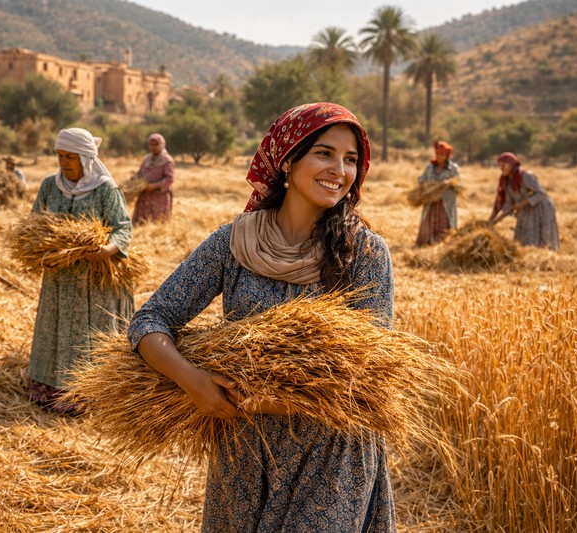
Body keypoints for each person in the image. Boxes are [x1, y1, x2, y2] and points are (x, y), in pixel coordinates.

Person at [127, 103, 395, 530]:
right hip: (245, 459)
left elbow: (367, 377)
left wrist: (262, 400)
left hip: (330, 457)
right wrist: (191, 380)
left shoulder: (363, 253)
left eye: (350, 160)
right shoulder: (236, 241)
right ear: (288, 158)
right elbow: (150, 320)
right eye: (324, 153)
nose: (339, 170)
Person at [27, 127, 134, 415]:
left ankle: (89, 394)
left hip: (93, 278)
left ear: (86, 159)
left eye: (70, 157)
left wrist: (108, 250)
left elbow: (123, 228)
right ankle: (49, 389)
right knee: (57, 328)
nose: (64, 162)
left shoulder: (105, 189)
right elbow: (34, 225)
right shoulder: (50, 186)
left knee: (89, 333)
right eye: (60, 156)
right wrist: (41, 253)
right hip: (59, 276)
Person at [488, 152, 559, 250]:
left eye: (504, 165)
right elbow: (509, 203)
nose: (501, 168)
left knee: (544, 238)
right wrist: (498, 218)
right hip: (526, 210)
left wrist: (523, 203)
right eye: (500, 165)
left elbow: (541, 193)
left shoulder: (526, 176)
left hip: (541, 208)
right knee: (525, 239)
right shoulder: (507, 181)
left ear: (512, 164)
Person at [415, 140, 460, 246]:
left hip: (445, 202)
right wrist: (422, 184)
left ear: (447, 155)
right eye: (437, 154)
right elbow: (422, 178)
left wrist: (448, 183)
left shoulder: (453, 168)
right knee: (428, 220)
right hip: (431, 201)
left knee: (444, 222)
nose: (439, 156)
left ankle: (442, 243)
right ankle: (426, 243)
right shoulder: (430, 167)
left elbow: (458, 184)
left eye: (442, 154)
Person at [131, 133, 174, 224]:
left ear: (162, 145)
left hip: (159, 197)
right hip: (144, 196)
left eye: (156, 145)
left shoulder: (167, 160)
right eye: (151, 145)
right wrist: (134, 180)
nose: (153, 147)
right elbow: (140, 173)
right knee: (141, 223)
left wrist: (153, 186)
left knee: (157, 223)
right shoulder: (147, 159)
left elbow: (169, 179)